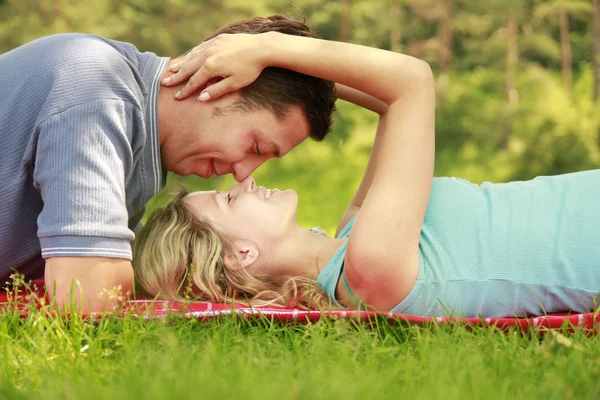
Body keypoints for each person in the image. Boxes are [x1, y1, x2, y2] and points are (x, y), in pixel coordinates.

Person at [133, 31, 600, 318]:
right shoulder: (369, 270)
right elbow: (410, 83)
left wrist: (271, 79)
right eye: (230, 201)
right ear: (241, 256)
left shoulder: (355, 235)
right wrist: (266, 49)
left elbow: (384, 105)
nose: (244, 181)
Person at [0, 15, 336, 312]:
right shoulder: (100, 92)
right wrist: (270, 49)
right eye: (255, 146)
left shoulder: (137, 148)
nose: (243, 172)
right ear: (215, 81)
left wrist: (274, 52)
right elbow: (89, 297)